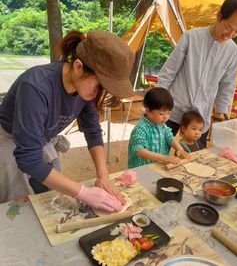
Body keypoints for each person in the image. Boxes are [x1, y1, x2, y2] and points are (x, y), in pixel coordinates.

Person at [0, 30, 136, 213]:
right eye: (99, 86)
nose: (99, 94)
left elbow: (93, 131)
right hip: (7, 140)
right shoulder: (36, 86)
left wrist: (103, 175)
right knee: (17, 209)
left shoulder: (85, 89)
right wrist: (83, 192)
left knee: (51, 196)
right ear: (78, 66)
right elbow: (28, 159)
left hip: (41, 140)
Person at [157, 0, 237, 147]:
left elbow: (227, 86)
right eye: (229, 27)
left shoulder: (233, 52)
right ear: (219, 16)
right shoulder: (191, 37)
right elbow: (169, 71)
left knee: (195, 161)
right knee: (157, 152)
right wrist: (158, 102)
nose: (230, 34)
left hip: (200, 118)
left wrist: (219, 116)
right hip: (173, 109)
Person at [128, 88, 190, 169]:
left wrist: (180, 149)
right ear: (149, 112)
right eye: (161, 113)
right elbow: (140, 151)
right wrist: (163, 158)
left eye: (168, 113)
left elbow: (170, 137)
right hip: (141, 168)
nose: (166, 117)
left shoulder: (161, 125)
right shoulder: (140, 129)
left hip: (157, 166)